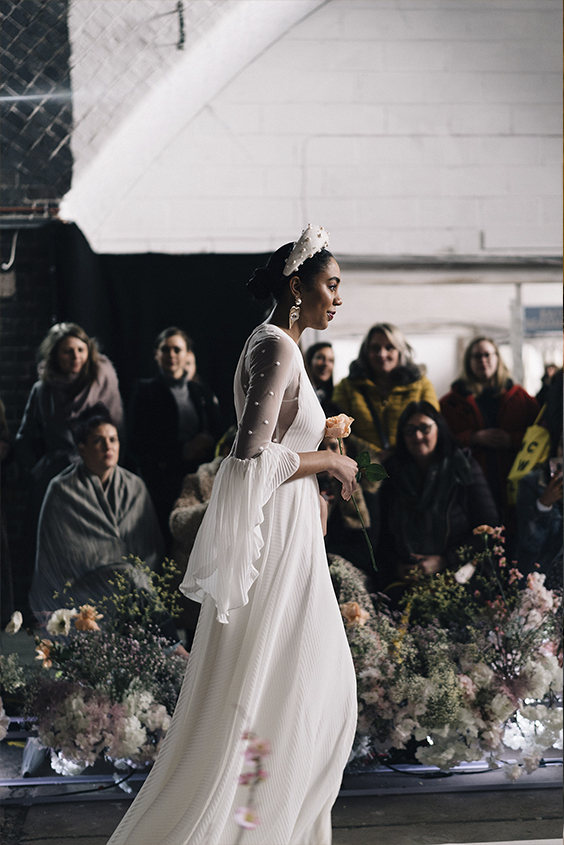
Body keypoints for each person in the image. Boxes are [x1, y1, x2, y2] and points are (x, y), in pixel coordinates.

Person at [107, 224, 358, 845]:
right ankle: (242, 827)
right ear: (297, 287)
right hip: (276, 550)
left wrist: (321, 434)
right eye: (331, 285)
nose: (338, 298)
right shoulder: (276, 347)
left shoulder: (280, 346)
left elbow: (274, 440)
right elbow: (246, 462)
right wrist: (329, 460)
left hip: (296, 544)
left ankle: (272, 826)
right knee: (286, 689)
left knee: (302, 691)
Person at [29, 405, 167, 624]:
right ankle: (168, 640)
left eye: (113, 440)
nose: (108, 446)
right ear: (82, 448)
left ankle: (157, 632)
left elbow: (150, 547)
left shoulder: (135, 486)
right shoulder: (62, 490)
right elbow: (57, 558)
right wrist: (116, 567)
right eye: (98, 440)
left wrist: (136, 577)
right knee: (128, 576)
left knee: (133, 579)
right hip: (80, 584)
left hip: (134, 584)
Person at [375, 401, 498, 597]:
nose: (417, 436)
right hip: (405, 579)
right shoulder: (391, 472)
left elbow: (489, 527)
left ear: (439, 428)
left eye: (425, 428)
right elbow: (381, 535)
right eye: (410, 430)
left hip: (458, 574)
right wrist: (397, 566)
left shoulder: (463, 466)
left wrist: (444, 560)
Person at [15, 323, 124, 524]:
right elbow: (24, 436)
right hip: (54, 475)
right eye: (67, 351)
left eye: (81, 350)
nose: (76, 357)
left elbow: (118, 431)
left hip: (97, 476)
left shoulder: (104, 382)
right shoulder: (43, 390)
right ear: (55, 355)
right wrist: (35, 471)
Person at [128, 328, 223, 546]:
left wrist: (207, 442)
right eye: (165, 349)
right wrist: (182, 450)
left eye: (177, 349)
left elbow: (219, 431)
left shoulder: (200, 391)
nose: (171, 354)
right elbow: (137, 442)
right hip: (162, 482)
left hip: (199, 478)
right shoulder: (144, 391)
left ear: (187, 354)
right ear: (156, 354)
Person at [440, 336, 538, 514]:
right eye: (477, 356)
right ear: (468, 361)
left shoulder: (520, 398)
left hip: (516, 483)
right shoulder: (451, 403)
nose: (483, 360)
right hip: (471, 486)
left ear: (497, 358)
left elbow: (540, 435)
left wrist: (511, 440)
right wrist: (473, 438)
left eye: (487, 355)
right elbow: (441, 441)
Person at [333, 322, 439, 461]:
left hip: (410, 465)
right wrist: (373, 453)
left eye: (390, 347)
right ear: (366, 351)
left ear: (400, 350)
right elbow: (337, 430)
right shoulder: (347, 387)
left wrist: (399, 455)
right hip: (363, 466)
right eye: (375, 348)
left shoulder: (422, 385)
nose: (382, 354)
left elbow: (432, 427)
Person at [305, 341, 335, 411]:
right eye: (320, 358)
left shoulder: (335, 398)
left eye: (330, 360)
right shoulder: (300, 394)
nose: (326, 364)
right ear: (309, 361)